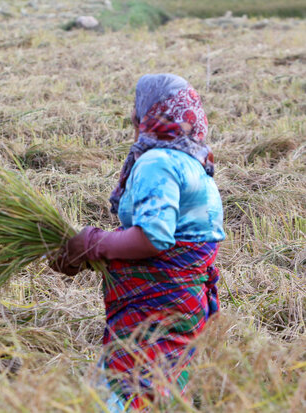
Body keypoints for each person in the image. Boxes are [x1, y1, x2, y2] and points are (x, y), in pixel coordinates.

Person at [51, 74, 225, 410]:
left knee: (126, 393)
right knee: (162, 390)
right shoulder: (192, 161)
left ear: (148, 113)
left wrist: (92, 243)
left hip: (156, 309)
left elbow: (153, 237)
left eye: (137, 107)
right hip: (181, 303)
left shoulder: (158, 162)